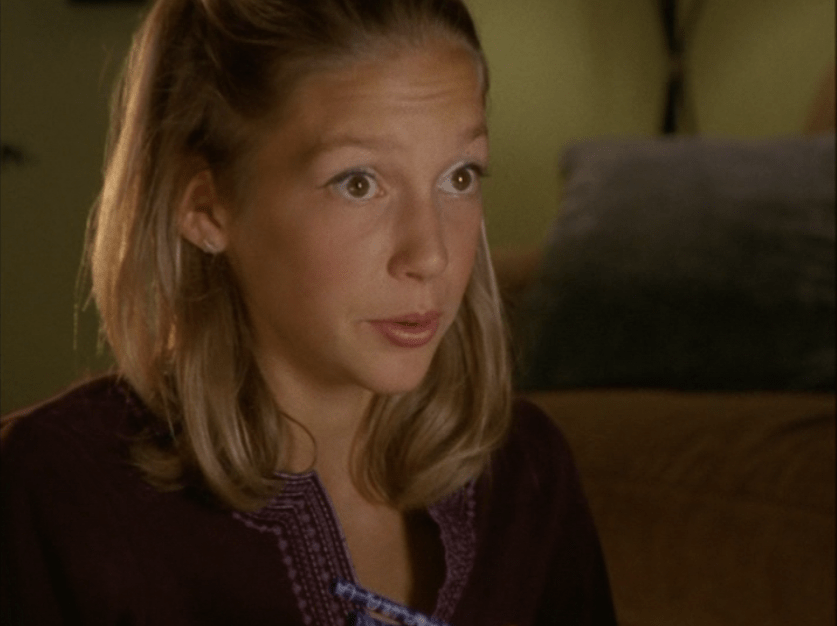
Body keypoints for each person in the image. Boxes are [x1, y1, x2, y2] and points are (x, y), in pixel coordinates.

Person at [0, 0, 616, 624]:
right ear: (204, 207)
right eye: (358, 183)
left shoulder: (526, 473)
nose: (430, 255)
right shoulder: (55, 489)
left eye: (459, 176)